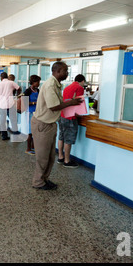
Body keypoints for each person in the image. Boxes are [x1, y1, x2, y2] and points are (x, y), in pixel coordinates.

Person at [31, 61, 83, 190]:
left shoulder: (56, 85)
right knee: (42, 157)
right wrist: (71, 102)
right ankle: (38, 182)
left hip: (50, 124)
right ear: (58, 71)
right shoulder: (50, 85)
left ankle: (44, 179)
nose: (67, 73)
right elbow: (53, 106)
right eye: (65, 71)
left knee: (50, 157)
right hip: (42, 124)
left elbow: (57, 103)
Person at [57, 74, 86, 168]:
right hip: (71, 117)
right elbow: (79, 103)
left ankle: (60, 157)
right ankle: (67, 161)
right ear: (82, 81)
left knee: (61, 136)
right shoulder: (79, 88)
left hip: (62, 115)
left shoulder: (67, 87)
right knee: (68, 139)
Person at [0, 72, 22, 140]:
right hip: (10, 104)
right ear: (7, 77)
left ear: (1, 77)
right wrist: (17, 95)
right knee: (13, 119)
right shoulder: (11, 82)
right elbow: (19, 88)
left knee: (2, 121)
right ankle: (15, 132)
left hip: (2, 105)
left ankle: (4, 136)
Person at [23, 75, 41, 155]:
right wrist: (34, 103)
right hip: (30, 113)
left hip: (36, 112)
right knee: (30, 132)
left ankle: (34, 147)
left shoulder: (38, 90)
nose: (39, 83)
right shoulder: (27, 91)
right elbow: (24, 102)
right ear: (33, 82)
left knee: (35, 131)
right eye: (38, 82)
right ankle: (28, 148)